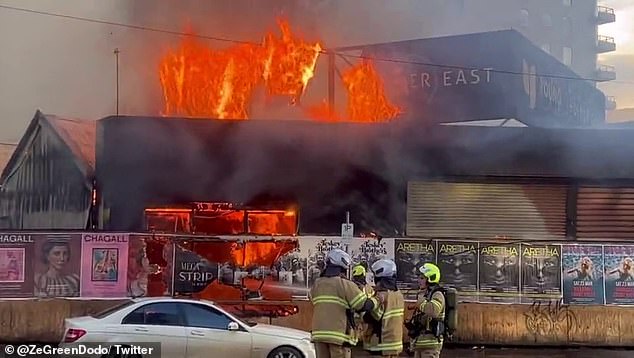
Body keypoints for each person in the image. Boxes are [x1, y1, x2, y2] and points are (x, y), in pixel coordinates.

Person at [310, 249, 374, 358]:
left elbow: (313, 300)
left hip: (318, 334)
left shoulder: (317, 284)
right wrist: (375, 301)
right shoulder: (345, 284)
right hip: (338, 336)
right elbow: (362, 305)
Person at [363, 259, 405, 357]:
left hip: (381, 345)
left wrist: (364, 307)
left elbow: (373, 317)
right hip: (395, 343)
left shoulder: (382, 295)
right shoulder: (398, 295)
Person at [407, 263, 446, 358]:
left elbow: (434, 311)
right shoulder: (424, 295)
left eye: (422, 278)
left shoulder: (437, 294)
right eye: (419, 278)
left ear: (430, 279)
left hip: (431, 345)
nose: (418, 280)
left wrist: (420, 303)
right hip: (420, 343)